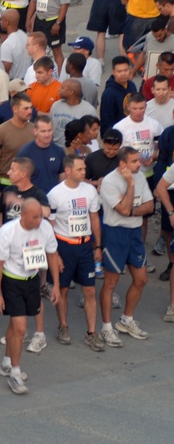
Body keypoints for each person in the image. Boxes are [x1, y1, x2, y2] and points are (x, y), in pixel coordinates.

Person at [0, 198, 61, 395]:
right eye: (35, 217)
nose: (39, 221)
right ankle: (15, 373)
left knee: (16, 324)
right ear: (22, 216)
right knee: (21, 328)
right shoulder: (8, 231)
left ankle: (6, 363)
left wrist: (55, 285)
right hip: (11, 280)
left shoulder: (45, 228)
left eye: (41, 216)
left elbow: (53, 254)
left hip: (31, 279)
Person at [47, 155, 104, 351]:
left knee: (90, 290)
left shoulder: (89, 190)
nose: (84, 172)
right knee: (62, 289)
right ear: (68, 171)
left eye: (84, 169)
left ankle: (91, 333)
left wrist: (97, 246)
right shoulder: (55, 194)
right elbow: (50, 226)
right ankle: (63, 327)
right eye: (80, 169)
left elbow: (94, 218)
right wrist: (55, 255)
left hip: (85, 246)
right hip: (64, 246)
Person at [99, 147, 153, 346]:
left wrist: (131, 212)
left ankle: (126, 320)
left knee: (141, 279)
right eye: (134, 161)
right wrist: (130, 183)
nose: (139, 164)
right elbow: (120, 209)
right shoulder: (110, 181)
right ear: (122, 164)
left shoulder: (140, 177)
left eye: (138, 160)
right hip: (115, 234)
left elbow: (150, 206)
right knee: (111, 283)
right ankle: (106, 327)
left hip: (135, 233)